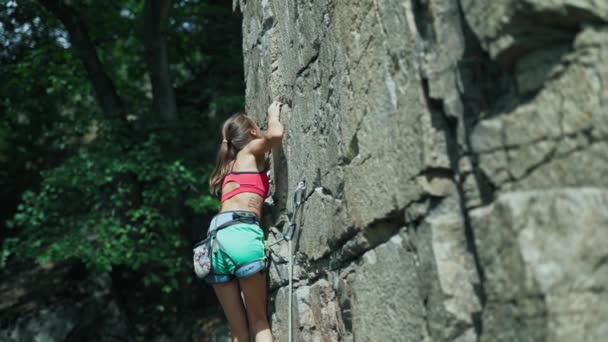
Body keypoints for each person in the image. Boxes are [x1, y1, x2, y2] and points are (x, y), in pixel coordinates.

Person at [205, 100, 284, 342]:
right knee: (259, 322)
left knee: (238, 333)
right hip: (240, 234)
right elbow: (276, 135)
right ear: (252, 133)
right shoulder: (248, 153)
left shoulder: (227, 168)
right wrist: (272, 113)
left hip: (214, 243)